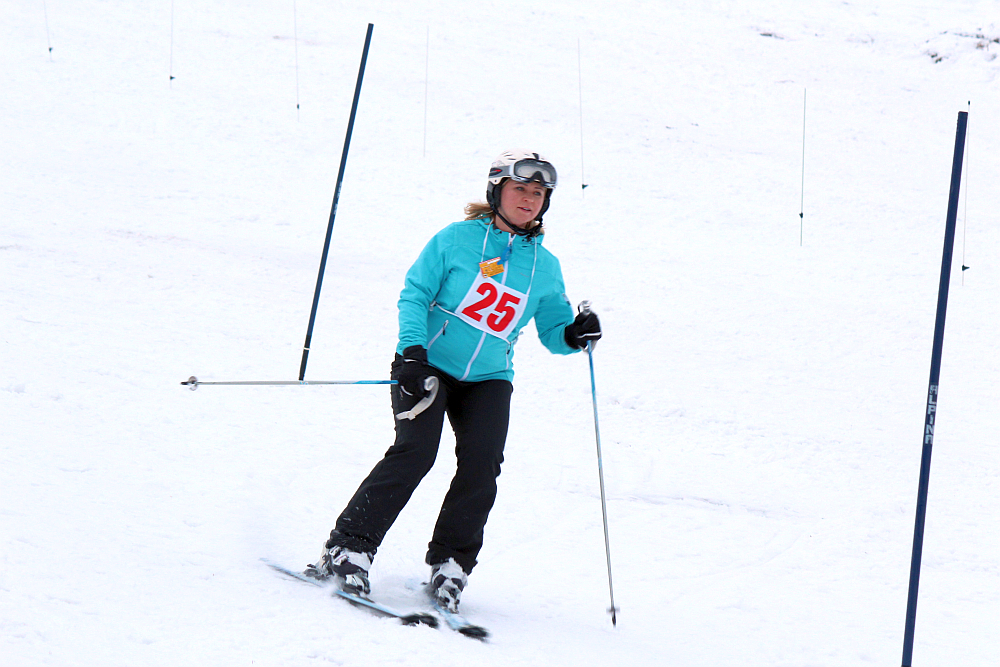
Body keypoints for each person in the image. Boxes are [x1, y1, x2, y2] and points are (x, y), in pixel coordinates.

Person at [304, 149, 602, 613]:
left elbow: (553, 332)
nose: (529, 199)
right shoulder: (456, 240)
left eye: (539, 193)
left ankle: (451, 567)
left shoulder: (545, 267)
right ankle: (347, 549)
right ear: (497, 191)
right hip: (427, 365)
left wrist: (575, 334)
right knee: (416, 452)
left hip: (489, 377)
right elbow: (415, 294)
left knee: (481, 467)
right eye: (520, 188)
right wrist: (412, 353)